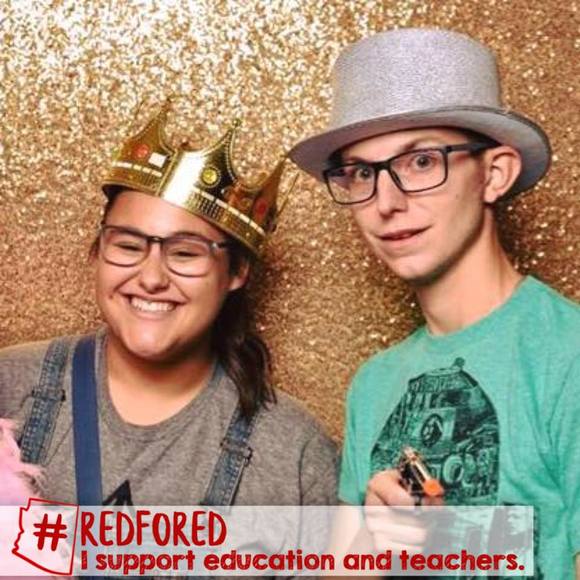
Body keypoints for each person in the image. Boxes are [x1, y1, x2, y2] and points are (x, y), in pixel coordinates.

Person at [290, 28, 579, 578]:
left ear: (494, 173)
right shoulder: (374, 384)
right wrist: (372, 546)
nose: (387, 202)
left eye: (421, 162)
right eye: (362, 173)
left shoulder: (567, 357)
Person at [0, 103, 337, 508]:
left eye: (185, 253)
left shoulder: (296, 453)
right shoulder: (10, 385)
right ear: (98, 252)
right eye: (128, 246)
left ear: (237, 271)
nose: (152, 278)